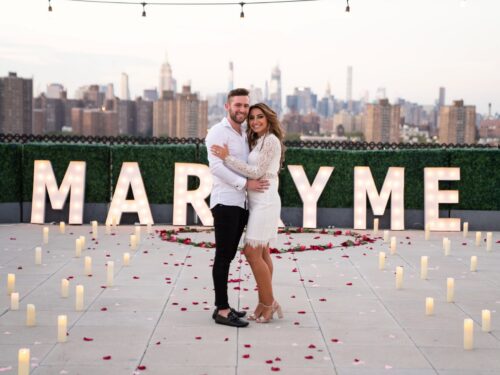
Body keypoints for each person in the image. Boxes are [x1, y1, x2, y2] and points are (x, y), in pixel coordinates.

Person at [211, 102, 285, 323]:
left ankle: (268, 303)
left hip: (265, 200)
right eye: (252, 118)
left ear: (268, 118)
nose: (254, 121)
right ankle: (266, 302)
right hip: (256, 201)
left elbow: (257, 171)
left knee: (252, 253)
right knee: (261, 253)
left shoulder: (271, 140)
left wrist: (227, 157)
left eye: (259, 117)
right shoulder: (258, 140)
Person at [205, 88, 269, 327]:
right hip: (225, 202)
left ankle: (224, 305)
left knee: (229, 256)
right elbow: (217, 168)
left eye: (245, 106)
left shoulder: (244, 132)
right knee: (223, 256)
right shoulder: (216, 132)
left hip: (242, 202)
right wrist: (246, 183)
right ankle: (222, 311)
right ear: (227, 106)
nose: (242, 110)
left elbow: (245, 163)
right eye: (238, 105)